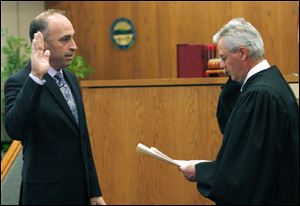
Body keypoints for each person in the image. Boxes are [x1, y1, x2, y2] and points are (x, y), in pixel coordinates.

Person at [178, 18, 299, 204]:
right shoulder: (269, 82)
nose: (221, 65)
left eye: (224, 58)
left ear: (243, 53)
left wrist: (201, 172)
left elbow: (246, 170)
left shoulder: (261, 95)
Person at [4, 9, 106, 205]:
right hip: (45, 196)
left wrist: (94, 191)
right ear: (41, 43)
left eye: (73, 38)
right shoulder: (21, 81)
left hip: (79, 193)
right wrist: (36, 77)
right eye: (65, 40)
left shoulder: (70, 78)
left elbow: (82, 140)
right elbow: (15, 129)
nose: (74, 46)